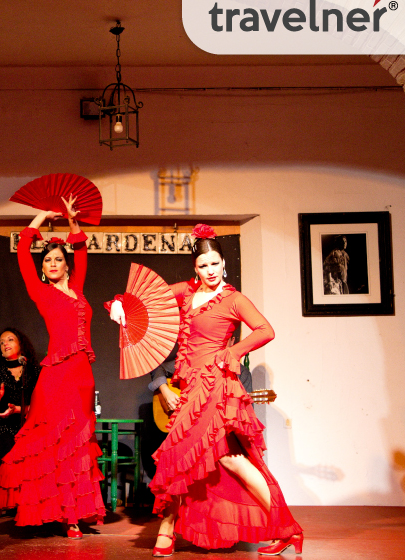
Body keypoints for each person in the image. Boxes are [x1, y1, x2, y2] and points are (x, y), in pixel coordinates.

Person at [108, 224, 302, 557]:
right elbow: (148, 301)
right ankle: (168, 530)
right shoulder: (186, 291)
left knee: (229, 458)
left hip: (215, 385)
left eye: (214, 264)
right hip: (189, 385)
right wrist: (119, 305)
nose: (210, 271)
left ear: (223, 263)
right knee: (184, 456)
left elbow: (265, 330)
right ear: (195, 267)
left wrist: (233, 352)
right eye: (203, 265)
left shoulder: (234, 299)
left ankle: (288, 528)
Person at [0, 197, 106, 541]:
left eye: (56, 259)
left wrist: (73, 221)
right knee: (39, 441)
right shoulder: (41, 292)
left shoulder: (77, 289)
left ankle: (71, 516)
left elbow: (81, 251)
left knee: (76, 446)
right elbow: (23, 254)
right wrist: (38, 219)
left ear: (65, 265)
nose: (51, 263)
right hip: (55, 375)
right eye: (46, 259)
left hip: (82, 376)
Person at [0, 328, 40, 462]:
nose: (5, 344)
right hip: (5, 430)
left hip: (33, 426)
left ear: (21, 344)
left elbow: (47, 408)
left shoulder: (36, 373)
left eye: (10, 340)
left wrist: (20, 409)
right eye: (2, 343)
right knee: (9, 446)